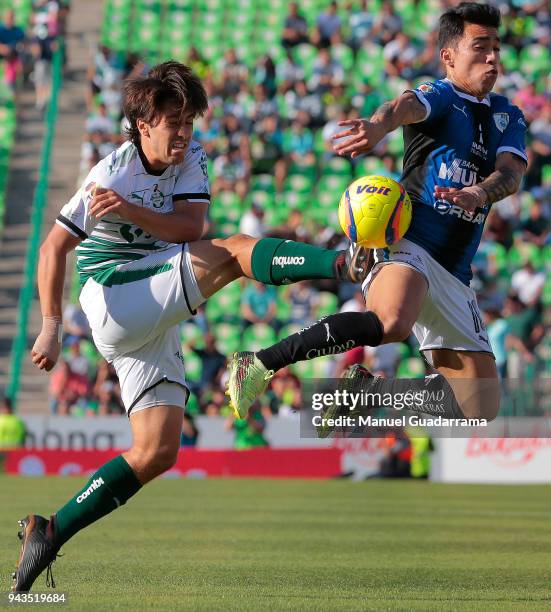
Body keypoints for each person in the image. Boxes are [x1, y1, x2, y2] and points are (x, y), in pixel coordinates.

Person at [11, 60, 369, 592]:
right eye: (173, 122)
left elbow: (189, 226)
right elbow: (52, 248)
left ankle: (51, 530)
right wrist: (49, 325)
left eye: (189, 122)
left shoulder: (190, 158)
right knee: (232, 253)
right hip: (111, 295)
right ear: (142, 124)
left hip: (149, 299)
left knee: (157, 450)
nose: (183, 133)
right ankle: (342, 265)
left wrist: (132, 212)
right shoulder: (109, 173)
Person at [228, 3, 527, 428]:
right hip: (411, 243)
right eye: (481, 47)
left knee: (480, 404)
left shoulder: (507, 114)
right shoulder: (441, 96)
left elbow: (512, 173)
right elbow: (402, 107)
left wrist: (479, 191)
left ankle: (370, 395)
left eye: (497, 48)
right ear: (449, 56)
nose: (493, 57)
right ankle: (259, 362)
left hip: (456, 272)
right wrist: (375, 126)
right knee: (391, 322)